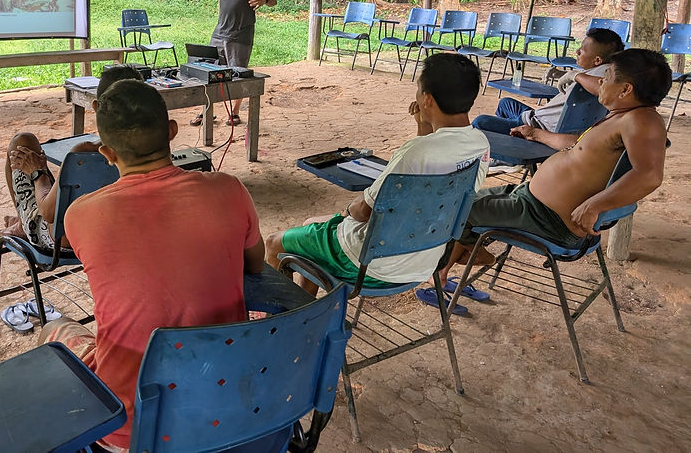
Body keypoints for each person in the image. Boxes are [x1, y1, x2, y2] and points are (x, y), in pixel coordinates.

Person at [39, 79, 264, 452]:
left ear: (107, 154)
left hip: (131, 430)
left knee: (54, 328)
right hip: (226, 409)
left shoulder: (81, 215)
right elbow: (255, 265)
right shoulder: (230, 189)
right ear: (172, 132)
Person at [265, 53, 490, 300]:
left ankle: (283, 321)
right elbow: (431, 159)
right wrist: (423, 127)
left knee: (275, 243)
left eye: (418, 90)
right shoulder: (480, 145)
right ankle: (307, 311)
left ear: (427, 99)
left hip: (370, 265)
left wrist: (346, 212)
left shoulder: (414, 153)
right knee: (311, 226)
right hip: (425, 260)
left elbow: (364, 211)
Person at [439, 48, 670, 284]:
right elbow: (577, 145)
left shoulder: (642, 120)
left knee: (455, 212)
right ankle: (452, 266)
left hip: (546, 219)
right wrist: (536, 133)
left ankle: (444, 274)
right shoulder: (620, 117)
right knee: (460, 202)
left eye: (608, 76)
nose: (600, 81)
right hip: (530, 203)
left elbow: (649, 175)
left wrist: (594, 206)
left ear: (625, 89)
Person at [0, 65, 143, 249]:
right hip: (120, 232)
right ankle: (21, 221)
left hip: (65, 240)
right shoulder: (152, 151)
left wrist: (37, 172)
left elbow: (49, 212)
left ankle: (23, 223)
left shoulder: (83, 153)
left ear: (97, 107)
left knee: (21, 143)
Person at [172, 0, 276, 125]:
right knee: (209, 74)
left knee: (238, 75)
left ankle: (234, 113)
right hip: (219, 35)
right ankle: (206, 111)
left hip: (240, 38)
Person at [473, 28, 625, 134]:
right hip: (535, 117)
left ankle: (507, 157)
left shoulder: (603, 75)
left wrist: (575, 75)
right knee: (506, 103)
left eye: (582, 50)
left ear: (597, 60)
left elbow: (606, 88)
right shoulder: (605, 71)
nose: (577, 52)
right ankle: (509, 160)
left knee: (480, 122)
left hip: (537, 126)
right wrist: (566, 74)